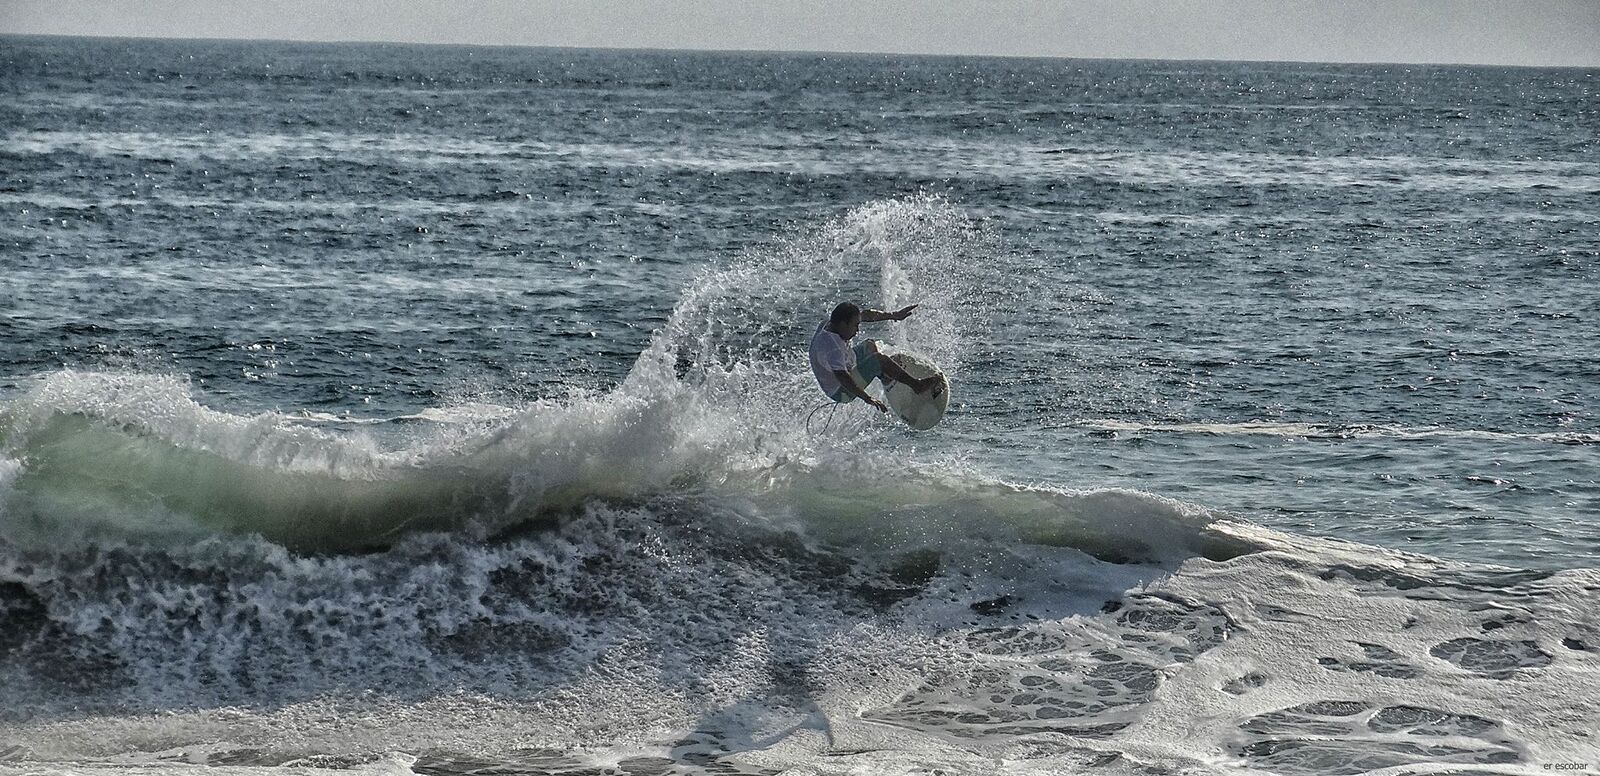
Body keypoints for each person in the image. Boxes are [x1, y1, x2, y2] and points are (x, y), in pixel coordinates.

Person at [809, 301, 941, 413]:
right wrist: (867, 398)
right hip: (841, 391)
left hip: (848, 363)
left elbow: (865, 315)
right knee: (879, 360)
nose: (857, 330)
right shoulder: (832, 347)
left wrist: (893, 315)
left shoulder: (832, 324)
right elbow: (843, 378)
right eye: (855, 326)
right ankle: (917, 385)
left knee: (870, 346)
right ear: (843, 324)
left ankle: (886, 377)